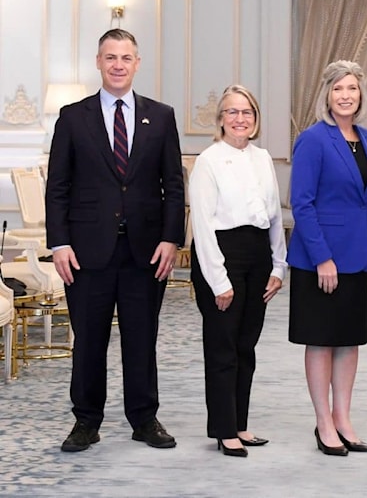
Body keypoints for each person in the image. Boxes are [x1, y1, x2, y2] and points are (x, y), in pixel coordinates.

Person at [46, 28, 185, 452]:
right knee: (89, 339)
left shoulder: (160, 116)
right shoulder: (73, 116)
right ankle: (86, 421)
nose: (119, 64)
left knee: (142, 338)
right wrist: (60, 243)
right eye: (111, 57)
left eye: (126, 57)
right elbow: (58, 187)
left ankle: (144, 419)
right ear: (99, 62)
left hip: (146, 250)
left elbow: (174, 185)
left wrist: (171, 238)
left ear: (137, 63)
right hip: (87, 253)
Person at [287, 60, 367, 456]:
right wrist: (322, 257)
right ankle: (323, 422)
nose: (346, 95)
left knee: (348, 341)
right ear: (326, 93)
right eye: (338, 88)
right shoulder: (313, 139)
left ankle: (343, 418)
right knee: (321, 341)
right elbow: (302, 204)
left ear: (361, 95)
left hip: (358, 258)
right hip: (320, 261)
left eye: (353, 88)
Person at [189, 85, 287, 457]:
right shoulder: (209, 160)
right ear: (220, 120)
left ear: (255, 119)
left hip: (258, 256)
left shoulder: (263, 158)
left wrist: (278, 266)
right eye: (232, 112)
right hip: (222, 257)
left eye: (247, 112)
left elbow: (275, 216)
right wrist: (218, 280)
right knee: (223, 347)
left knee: (247, 346)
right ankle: (223, 430)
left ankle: (240, 424)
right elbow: (202, 224)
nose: (240, 119)